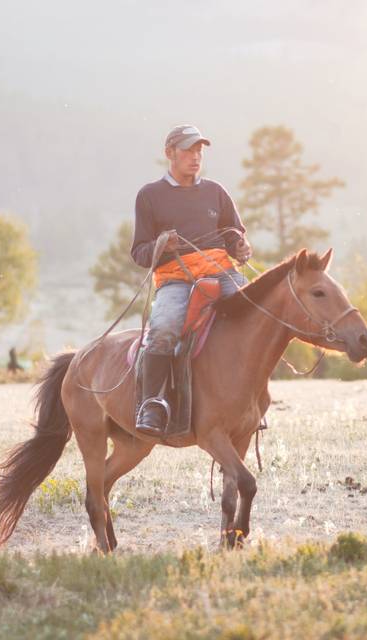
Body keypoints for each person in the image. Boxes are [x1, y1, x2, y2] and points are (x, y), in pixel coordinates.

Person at [130, 124, 253, 435]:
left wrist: (240, 248)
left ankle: (253, 398)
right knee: (164, 328)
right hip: (176, 280)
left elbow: (234, 235)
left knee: (254, 312)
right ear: (169, 153)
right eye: (188, 150)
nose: (196, 157)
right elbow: (139, 253)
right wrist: (160, 245)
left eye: (199, 150)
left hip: (222, 273)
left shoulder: (216, 192)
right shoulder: (150, 196)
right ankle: (152, 404)